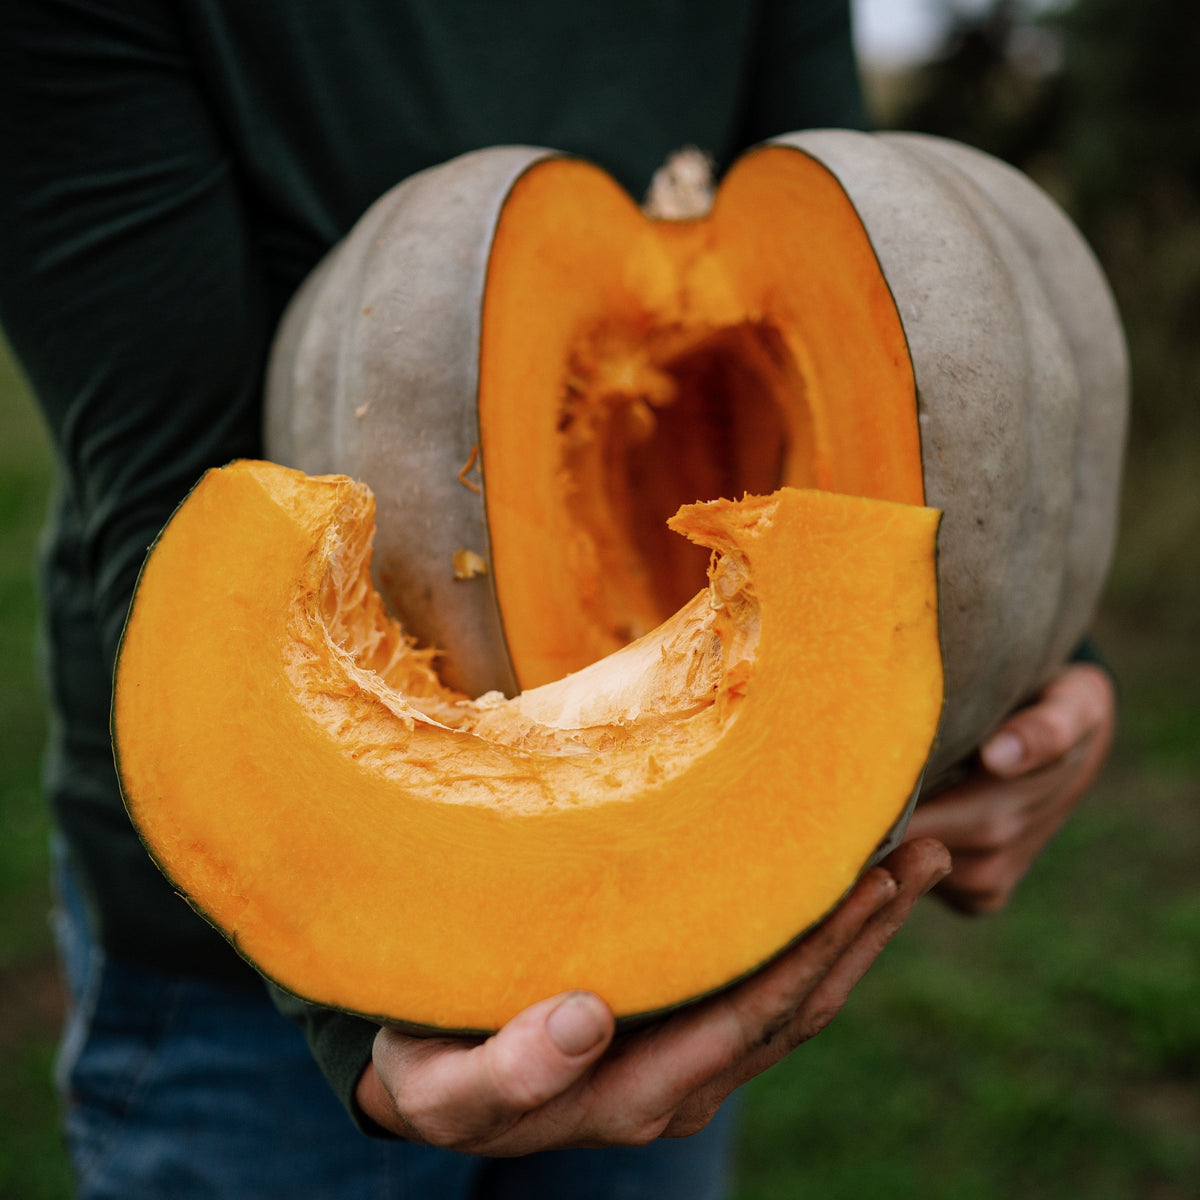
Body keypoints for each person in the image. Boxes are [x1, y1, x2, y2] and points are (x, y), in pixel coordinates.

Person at [0, 1, 1115, 1196]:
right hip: (240, 988)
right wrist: (353, 1030)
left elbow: (920, 320)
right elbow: (176, 514)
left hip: (718, 923)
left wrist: (1040, 689)